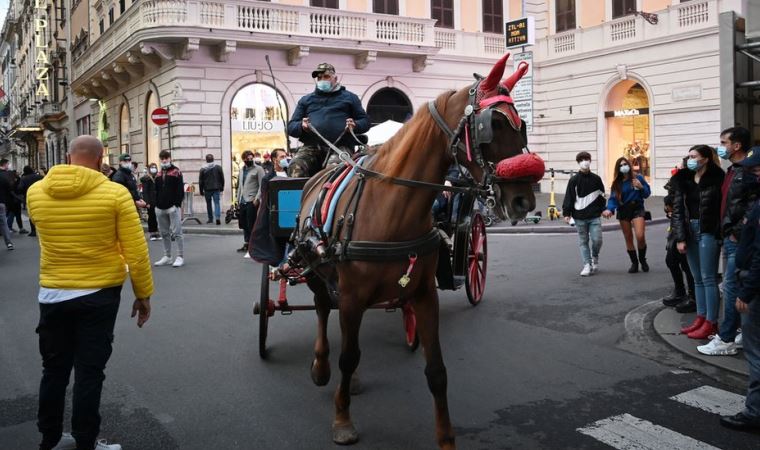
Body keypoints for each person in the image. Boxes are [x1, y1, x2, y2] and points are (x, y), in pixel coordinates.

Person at [26, 135, 153, 450]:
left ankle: (50, 439)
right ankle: (86, 441)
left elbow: (47, 238)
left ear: (68, 157)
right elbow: (135, 251)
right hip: (99, 294)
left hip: (53, 293)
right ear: (100, 161)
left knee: (53, 370)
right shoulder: (115, 194)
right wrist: (143, 293)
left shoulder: (35, 192)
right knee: (89, 371)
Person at [699, 127, 753, 356]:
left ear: (737, 145)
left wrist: (736, 232)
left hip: (737, 238)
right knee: (735, 287)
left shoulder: (747, 172)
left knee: (731, 288)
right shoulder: (733, 170)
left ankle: (727, 338)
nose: (721, 147)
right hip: (729, 236)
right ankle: (741, 332)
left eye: (724, 142)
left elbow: (751, 207)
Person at [720, 147, 760, 432]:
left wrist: (746, 291)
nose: (751, 174)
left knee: (755, 352)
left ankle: (755, 412)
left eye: (755, 170)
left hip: (755, 287)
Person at [671, 145, 725, 340]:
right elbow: (677, 210)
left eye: (694, 156)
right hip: (689, 230)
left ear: (706, 159)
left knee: (709, 278)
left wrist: (721, 232)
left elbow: (722, 208)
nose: (690, 159)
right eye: (689, 156)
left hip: (708, 230)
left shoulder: (718, 178)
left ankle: (711, 322)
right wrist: (680, 237)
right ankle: (701, 318)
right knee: (697, 278)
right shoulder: (683, 178)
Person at [286, 62, 370, 177]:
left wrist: (355, 125)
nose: (322, 80)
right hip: (312, 146)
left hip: (341, 146)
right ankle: (300, 195)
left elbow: (365, 121)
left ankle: (325, 195)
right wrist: (301, 126)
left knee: (334, 169)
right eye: (319, 78)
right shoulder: (306, 100)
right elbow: (291, 127)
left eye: (326, 76)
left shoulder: (350, 98)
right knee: (295, 165)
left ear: (335, 78)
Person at [603, 157, 651, 273]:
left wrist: (641, 187)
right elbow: (613, 199)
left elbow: (647, 193)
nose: (623, 167)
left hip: (637, 208)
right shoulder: (617, 183)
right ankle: (634, 263)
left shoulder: (637, 178)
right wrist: (609, 209)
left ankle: (642, 259)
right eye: (620, 165)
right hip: (623, 209)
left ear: (629, 165)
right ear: (618, 169)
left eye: (625, 164)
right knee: (628, 238)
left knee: (640, 235)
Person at [562, 151, 606, 276]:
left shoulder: (596, 179)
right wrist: (567, 213)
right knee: (583, 241)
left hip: (594, 216)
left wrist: (604, 209)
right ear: (578, 163)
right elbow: (569, 197)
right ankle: (587, 265)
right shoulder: (574, 180)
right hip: (579, 217)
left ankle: (594, 256)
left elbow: (601, 196)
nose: (584, 162)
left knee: (597, 240)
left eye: (586, 159)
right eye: (581, 160)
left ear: (590, 161)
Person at [661, 158, 696, 312]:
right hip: (676, 225)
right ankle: (680, 291)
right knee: (672, 259)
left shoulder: (692, 181)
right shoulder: (679, 180)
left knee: (687, 264)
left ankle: (692, 296)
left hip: (686, 225)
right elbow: (671, 200)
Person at [153, 150, 185, 267]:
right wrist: (156, 204)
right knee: (164, 233)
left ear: (170, 158)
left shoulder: (176, 172)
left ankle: (180, 256)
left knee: (177, 233)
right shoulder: (158, 174)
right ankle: (167, 256)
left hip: (172, 207)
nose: (164, 160)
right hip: (160, 208)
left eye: (166, 158)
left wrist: (176, 205)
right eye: (162, 158)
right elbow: (155, 190)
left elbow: (180, 190)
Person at [236, 150, 265, 255]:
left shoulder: (258, 169)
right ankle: (247, 243)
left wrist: (257, 199)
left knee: (251, 223)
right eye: (248, 158)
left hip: (252, 200)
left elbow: (262, 185)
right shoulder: (242, 170)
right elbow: (240, 186)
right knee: (244, 224)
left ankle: (254, 245)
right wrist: (237, 199)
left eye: (251, 157)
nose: (250, 160)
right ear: (244, 159)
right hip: (242, 201)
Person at [17, 165, 44, 237]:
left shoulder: (24, 178)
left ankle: (33, 231)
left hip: (30, 197)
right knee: (42, 213)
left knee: (31, 214)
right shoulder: (39, 177)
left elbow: (20, 188)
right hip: (40, 196)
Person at [199, 153, 225, 225]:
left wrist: (201, 191)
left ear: (206, 160)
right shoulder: (218, 167)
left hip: (207, 189)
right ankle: (217, 218)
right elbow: (222, 178)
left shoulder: (203, 169)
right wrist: (222, 187)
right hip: (216, 188)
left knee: (208, 204)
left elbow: (200, 181)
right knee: (217, 203)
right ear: (213, 159)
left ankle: (210, 219)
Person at [140, 163, 160, 241]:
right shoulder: (146, 179)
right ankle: (152, 233)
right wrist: (146, 203)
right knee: (151, 217)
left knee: (156, 217)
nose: (153, 169)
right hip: (150, 201)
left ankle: (157, 232)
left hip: (157, 201)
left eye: (155, 167)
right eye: (152, 167)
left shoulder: (158, 177)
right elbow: (145, 192)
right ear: (149, 169)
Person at [0, 158, 15, 250]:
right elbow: (9, 189)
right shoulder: (3, 177)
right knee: (3, 223)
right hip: (1, 202)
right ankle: (8, 243)